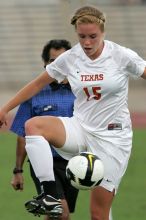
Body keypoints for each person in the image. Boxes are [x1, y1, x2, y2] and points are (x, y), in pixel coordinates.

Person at [0, 5, 146, 220]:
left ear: (103, 32)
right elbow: (36, 85)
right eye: (82, 37)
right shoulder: (71, 57)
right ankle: (49, 195)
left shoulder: (121, 55)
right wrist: (5, 108)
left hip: (113, 138)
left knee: (98, 214)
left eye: (93, 36)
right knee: (34, 125)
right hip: (81, 128)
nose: (87, 43)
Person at [10, 39, 79, 220]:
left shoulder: (81, 92)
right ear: (46, 65)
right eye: (53, 61)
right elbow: (23, 135)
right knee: (60, 213)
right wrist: (18, 171)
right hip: (45, 163)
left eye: (63, 59)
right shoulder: (33, 94)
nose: (58, 65)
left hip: (74, 162)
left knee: (57, 214)